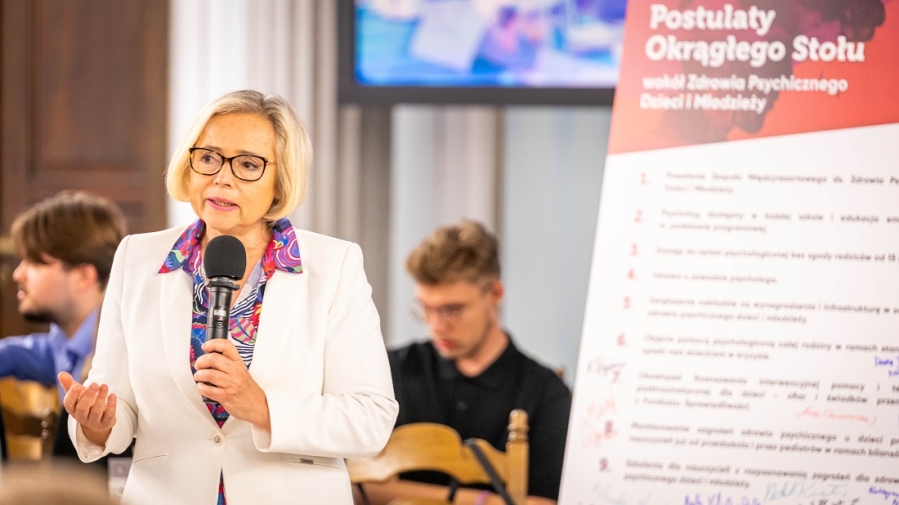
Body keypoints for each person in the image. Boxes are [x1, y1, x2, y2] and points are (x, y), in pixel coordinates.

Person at [59, 90, 398, 504]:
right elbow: (120, 407)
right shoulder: (138, 257)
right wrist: (97, 423)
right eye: (208, 158)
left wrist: (261, 406)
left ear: (281, 181)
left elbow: (370, 419)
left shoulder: (334, 265)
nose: (221, 177)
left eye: (248, 165)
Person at [364, 220, 571, 505]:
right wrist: (484, 500)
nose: (436, 326)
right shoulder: (391, 369)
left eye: (452, 310)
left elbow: (543, 502)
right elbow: (357, 485)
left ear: (495, 294)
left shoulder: (546, 394)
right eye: (425, 308)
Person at [0, 190, 127, 461]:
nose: (18, 273)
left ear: (83, 276)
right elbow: (11, 354)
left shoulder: (120, 354)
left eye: (34, 262)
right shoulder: (63, 344)